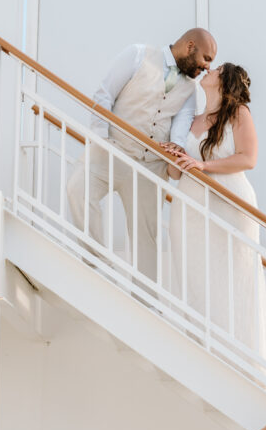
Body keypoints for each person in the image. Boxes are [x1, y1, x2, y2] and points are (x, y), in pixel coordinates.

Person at [66, 29, 217, 282]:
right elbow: (104, 94)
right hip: (111, 150)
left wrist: (177, 146)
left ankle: (146, 300)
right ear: (190, 46)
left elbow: (181, 124)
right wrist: (102, 139)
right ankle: (96, 266)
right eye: (207, 58)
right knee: (77, 190)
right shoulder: (137, 54)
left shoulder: (190, 89)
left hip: (151, 165)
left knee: (146, 235)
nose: (208, 66)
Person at [165, 63, 266, 383]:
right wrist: (173, 155)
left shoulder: (238, 113)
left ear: (225, 79)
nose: (207, 71)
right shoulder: (190, 119)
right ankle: (202, 355)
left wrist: (203, 165)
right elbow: (176, 173)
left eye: (214, 69)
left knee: (234, 281)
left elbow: (249, 158)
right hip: (189, 207)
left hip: (230, 205)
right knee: (193, 275)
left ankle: (242, 365)